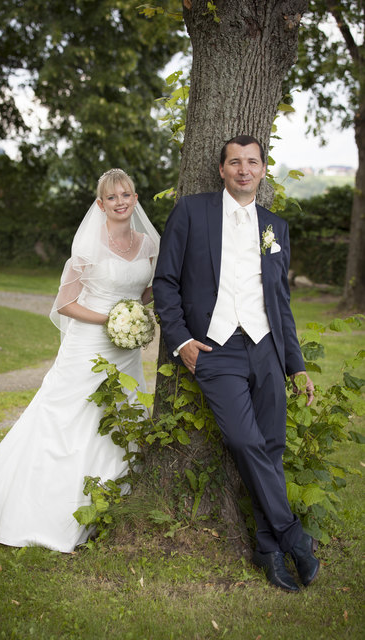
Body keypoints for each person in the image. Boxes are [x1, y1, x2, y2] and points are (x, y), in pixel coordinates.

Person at [153, 135, 319, 592]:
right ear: (222, 170)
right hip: (214, 348)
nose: (243, 170)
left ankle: (269, 549)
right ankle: (294, 538)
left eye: (252, 162)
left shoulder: (275, 227)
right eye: (234, 162)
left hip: (265, 347)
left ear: (263, 170)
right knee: (246, 442)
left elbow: (280, 302)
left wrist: (295, 364)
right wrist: (181, 339)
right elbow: (165, 282)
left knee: (272, 446)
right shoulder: (192, 211)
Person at [0, 169, 160, 553]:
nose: (120, 202)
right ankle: (39, 515)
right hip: (88, 345)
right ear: (100, 205)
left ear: (135, 199)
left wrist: (134, 317)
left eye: (126, 195)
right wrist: (112, 318)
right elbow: (66, 304)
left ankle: (109, 509)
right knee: (67, 419)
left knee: (121, 414)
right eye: (111, 197)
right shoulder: (87, 246)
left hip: (127, 349)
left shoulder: (149, 242)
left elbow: (147, 290)